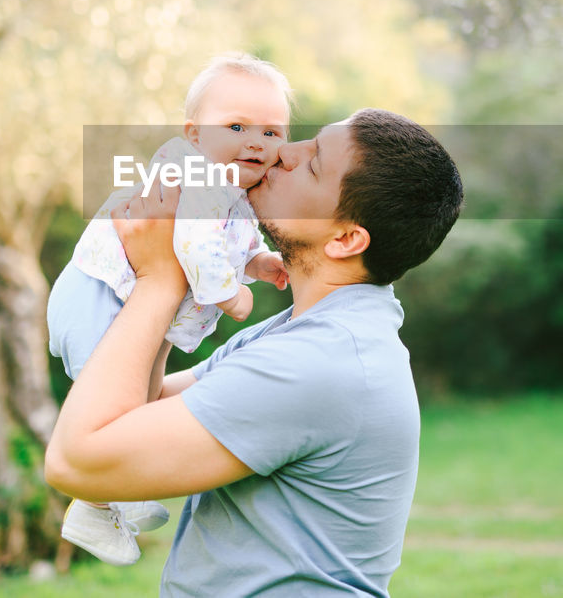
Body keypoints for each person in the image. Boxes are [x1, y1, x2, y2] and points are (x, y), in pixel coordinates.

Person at [45, 108, 463, 595]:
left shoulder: (317, 364)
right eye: (304, 142)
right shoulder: (299, 334)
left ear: (347, 239)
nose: (283, 152)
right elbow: (142, 407)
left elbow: (77, 462)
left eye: (311, 164)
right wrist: (174, 260)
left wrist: (159, 281)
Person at [46, 53, 292, 565]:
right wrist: (231, 294)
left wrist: (259, 262)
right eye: (238, 126)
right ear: (195, 134)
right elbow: (199, 246)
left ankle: (118, 496)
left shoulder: (232, 190)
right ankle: (92, 504)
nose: (257, 142)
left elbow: (227, 241)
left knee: (145, 399)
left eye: (272, 132)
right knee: (113, 417)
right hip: (99, 298)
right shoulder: (197, 174)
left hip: (125, 301)